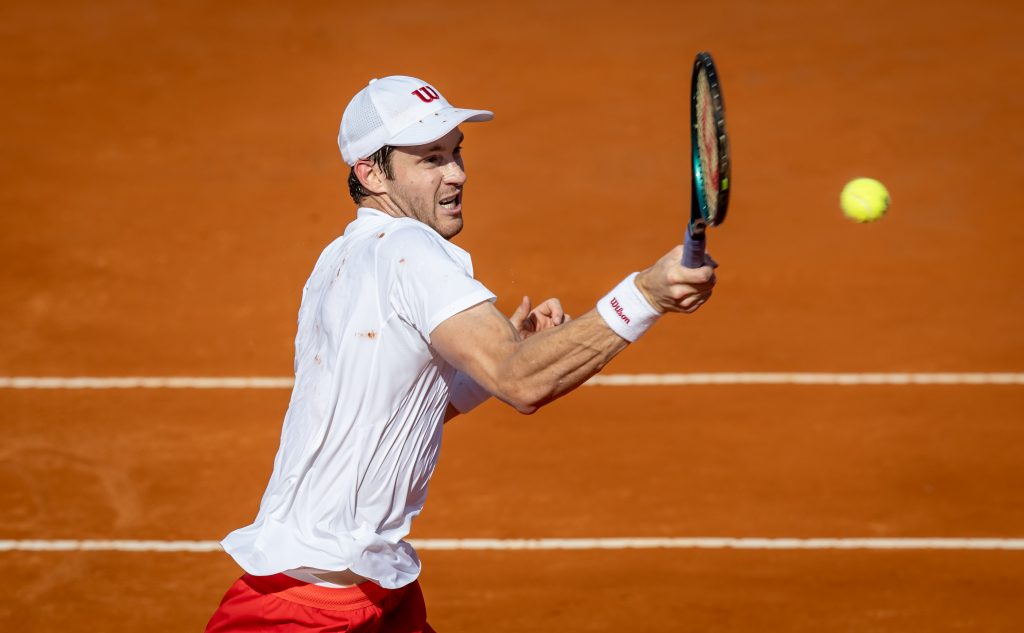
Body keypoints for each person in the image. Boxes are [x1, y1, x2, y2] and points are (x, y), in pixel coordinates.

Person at [205, 75, 716, 632]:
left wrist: (500, 355)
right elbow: (522, 384)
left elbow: (402, 404)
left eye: (455, 153)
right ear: (370, 172)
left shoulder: (341, 259)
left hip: (373, 588)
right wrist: (643, 296)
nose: (457, 175)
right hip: (304, 611)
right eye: (430, 159)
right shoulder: (409, 249)